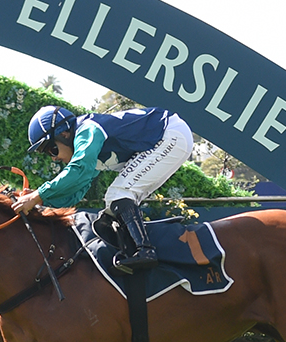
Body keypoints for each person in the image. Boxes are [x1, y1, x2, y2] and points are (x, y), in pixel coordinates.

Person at [11, 105, 194, 274]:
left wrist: (38, 195)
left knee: (118, 195)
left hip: (170, 134)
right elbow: (77, 193)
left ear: (65, 133)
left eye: (51, 149)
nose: (53, 158)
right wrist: (40, 200)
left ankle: (145, 251)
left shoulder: (88, 130)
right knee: (114, 206)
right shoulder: (87, 148)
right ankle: (138, 251)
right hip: (169, 137)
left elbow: (79, 170)